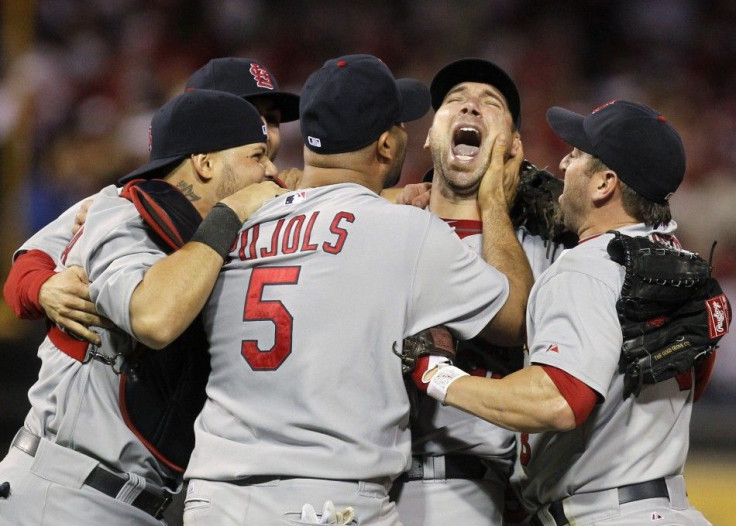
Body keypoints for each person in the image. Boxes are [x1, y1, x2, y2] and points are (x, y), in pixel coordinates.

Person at [162, 53, 532, 526]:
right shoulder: (407, 233)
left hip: (214, 497)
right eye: (399, 124)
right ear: (384, 145)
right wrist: (494, 200)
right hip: (325, 498)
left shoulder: (238, 219)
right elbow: (517, 316)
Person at [419, 100, 718, 525]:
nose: (563, 161)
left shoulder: (586, 268)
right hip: (667, 507)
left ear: (604, 184)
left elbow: (559, 399)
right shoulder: (680, 268)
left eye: (577, 155)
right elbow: (693, 381)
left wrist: (438, 376)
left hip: (603, 512)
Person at [0, 89, 283, 525]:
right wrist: (231, 210)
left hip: (129, 502)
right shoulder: (122, 214)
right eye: (258, 154)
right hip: (65, 496)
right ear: (205, 163)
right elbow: (154, 317)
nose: (272, 170)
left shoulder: (203, 229)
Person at [3, 57, 300, 346]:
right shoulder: (128, 205)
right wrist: (45, 288)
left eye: (271, 120)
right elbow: (23, 274)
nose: (262, 131)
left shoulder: (292, 193)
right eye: (245, 112)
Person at [391, 58, 567, 526]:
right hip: (361, 486)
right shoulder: (384, 228)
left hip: (472, 492)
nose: (470, 105)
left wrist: (492, 203)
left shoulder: (546, 252)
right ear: (429, 136)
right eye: (454, 101)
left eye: (491, 104)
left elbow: (520, 322)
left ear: (512, 147)